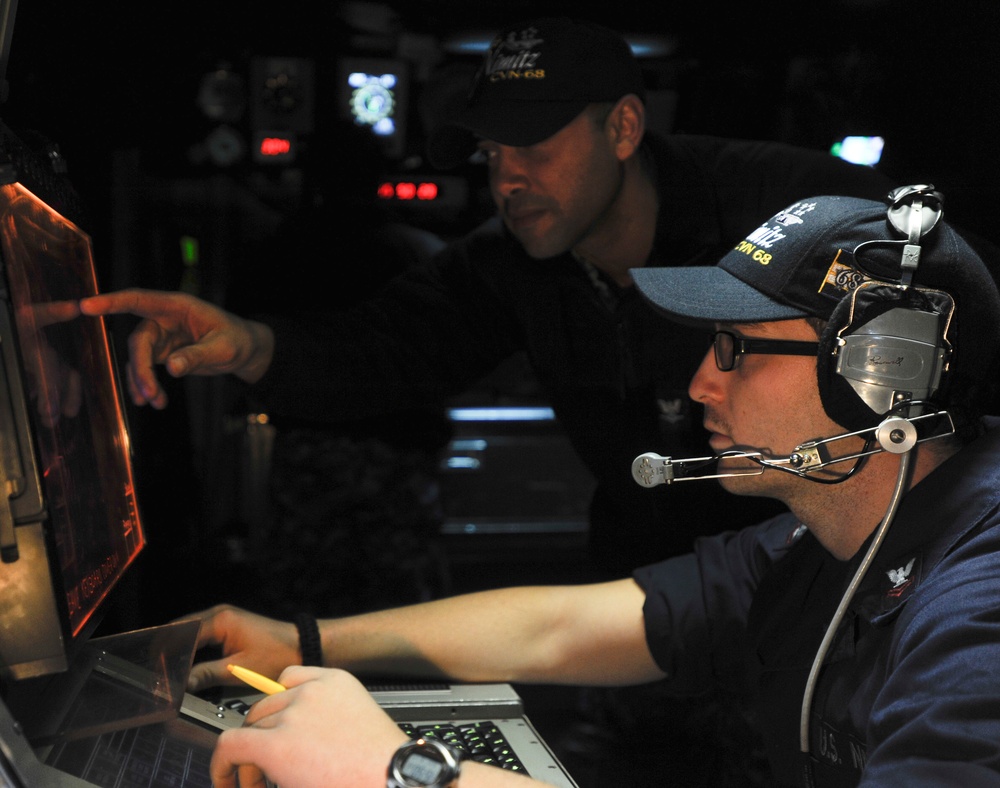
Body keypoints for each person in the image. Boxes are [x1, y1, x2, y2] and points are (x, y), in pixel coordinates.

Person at [171, 188, 1000, 788]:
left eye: (734, 351)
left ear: (880, 379)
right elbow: (575, 625)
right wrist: (304, 640)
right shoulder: (825, 541)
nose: (701, 385)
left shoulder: (981, 602)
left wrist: (399, 771)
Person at [80, 17, 898, 576]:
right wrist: (249, 343)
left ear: (622, 127)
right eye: (490, 151)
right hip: (646, 593)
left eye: (534, 144)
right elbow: (383, 350)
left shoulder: (789, 210)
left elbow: (966, 313)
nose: (508, 177)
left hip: (830, 586)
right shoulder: (509, 265)